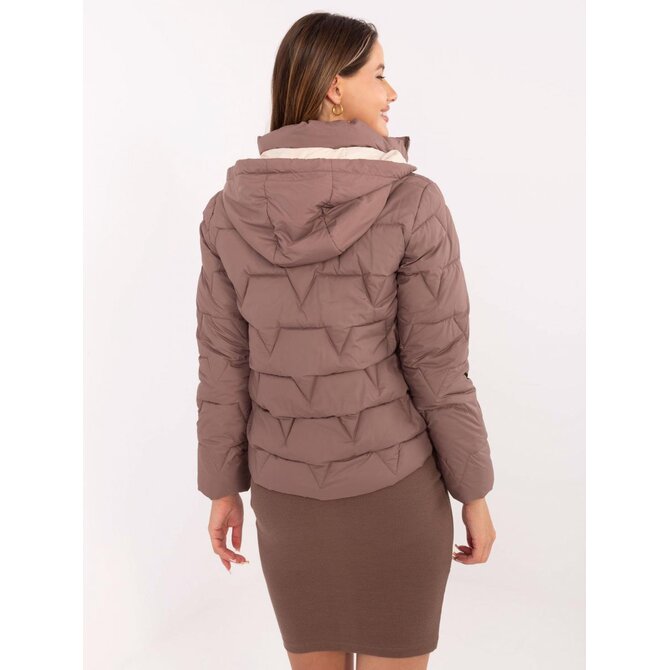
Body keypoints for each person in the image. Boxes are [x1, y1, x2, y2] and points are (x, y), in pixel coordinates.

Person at [195, 11, 497, 670]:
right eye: (379, 75)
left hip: (285, 502)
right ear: (335, 87)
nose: (392, 93)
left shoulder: (226, 213)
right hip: (396, 497)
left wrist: (222, 488)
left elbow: (223, 368)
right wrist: (474, 493)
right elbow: (438, 369)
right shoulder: (413, 202)